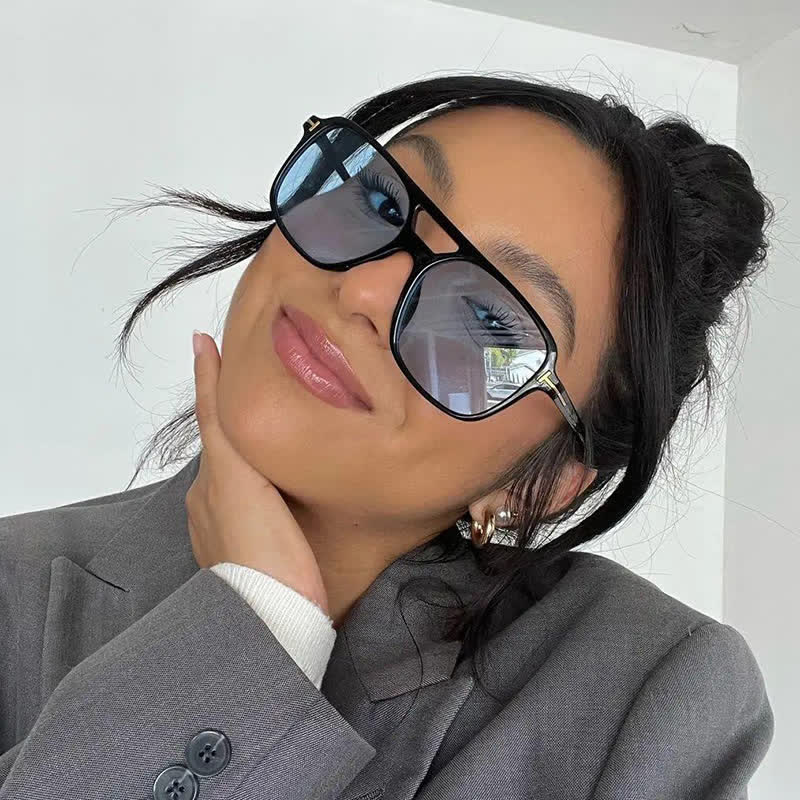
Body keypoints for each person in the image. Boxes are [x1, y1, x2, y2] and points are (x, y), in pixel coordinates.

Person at [0, 74, 775, 799]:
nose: (365, 288)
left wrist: (261, 631)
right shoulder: (14, 588)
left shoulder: (646, 703)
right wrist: (255, 631)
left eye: (487, 318)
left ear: (540, 483)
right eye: (377, 201)